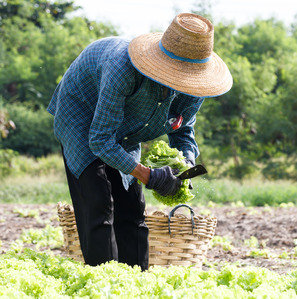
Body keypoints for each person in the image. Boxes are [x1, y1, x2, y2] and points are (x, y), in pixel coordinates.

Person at [47, 13, 232, 270]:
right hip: (82, 111)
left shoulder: (194, 87)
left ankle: (135, 284)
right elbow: (100, 140)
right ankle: (105, 284)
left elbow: (183, 130)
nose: (184, 81)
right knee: (98, 203)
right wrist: (149, 176)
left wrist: (185, 163)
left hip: (126, 127)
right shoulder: (123, 69)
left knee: (132, 207)